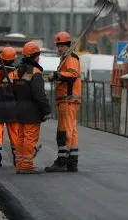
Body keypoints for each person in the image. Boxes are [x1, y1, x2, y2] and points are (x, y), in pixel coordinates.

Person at [45, 31, 82, 172]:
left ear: (68, 46)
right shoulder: (66, 59)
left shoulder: (70, 58)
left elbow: (73, 74)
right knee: (71, 131)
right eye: (58, 46)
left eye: (62, 46)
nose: (59, 48)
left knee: (63, 131)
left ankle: (62, 161)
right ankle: (72, 162)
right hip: (69, 100)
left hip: (68, 100)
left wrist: (56, 75)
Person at [12, 41, 51, 174]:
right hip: (32, 111)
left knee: (21, 137)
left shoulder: (17, 72)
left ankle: (20, 163)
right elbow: (39, 94)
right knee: (30, 138)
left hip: (19, 108)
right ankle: (27, 165)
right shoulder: (35, 73)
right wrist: (46, 110)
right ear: (35, 56)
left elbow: (14, 90)